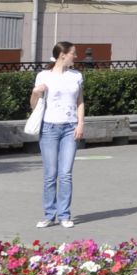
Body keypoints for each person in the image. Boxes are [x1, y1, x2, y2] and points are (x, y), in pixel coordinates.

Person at [30, 41, 85, 228]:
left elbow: (80, 101)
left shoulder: (76, 76)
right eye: (73, 53)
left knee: (66, 173)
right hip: (49, 128)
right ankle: (48, 214)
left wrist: (80, 123)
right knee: (50, 174)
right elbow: (33, 105)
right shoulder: (44, 76)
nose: (76, 57)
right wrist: (36, 93)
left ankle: (64, 215)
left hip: (70, 127)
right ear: (63, 55)